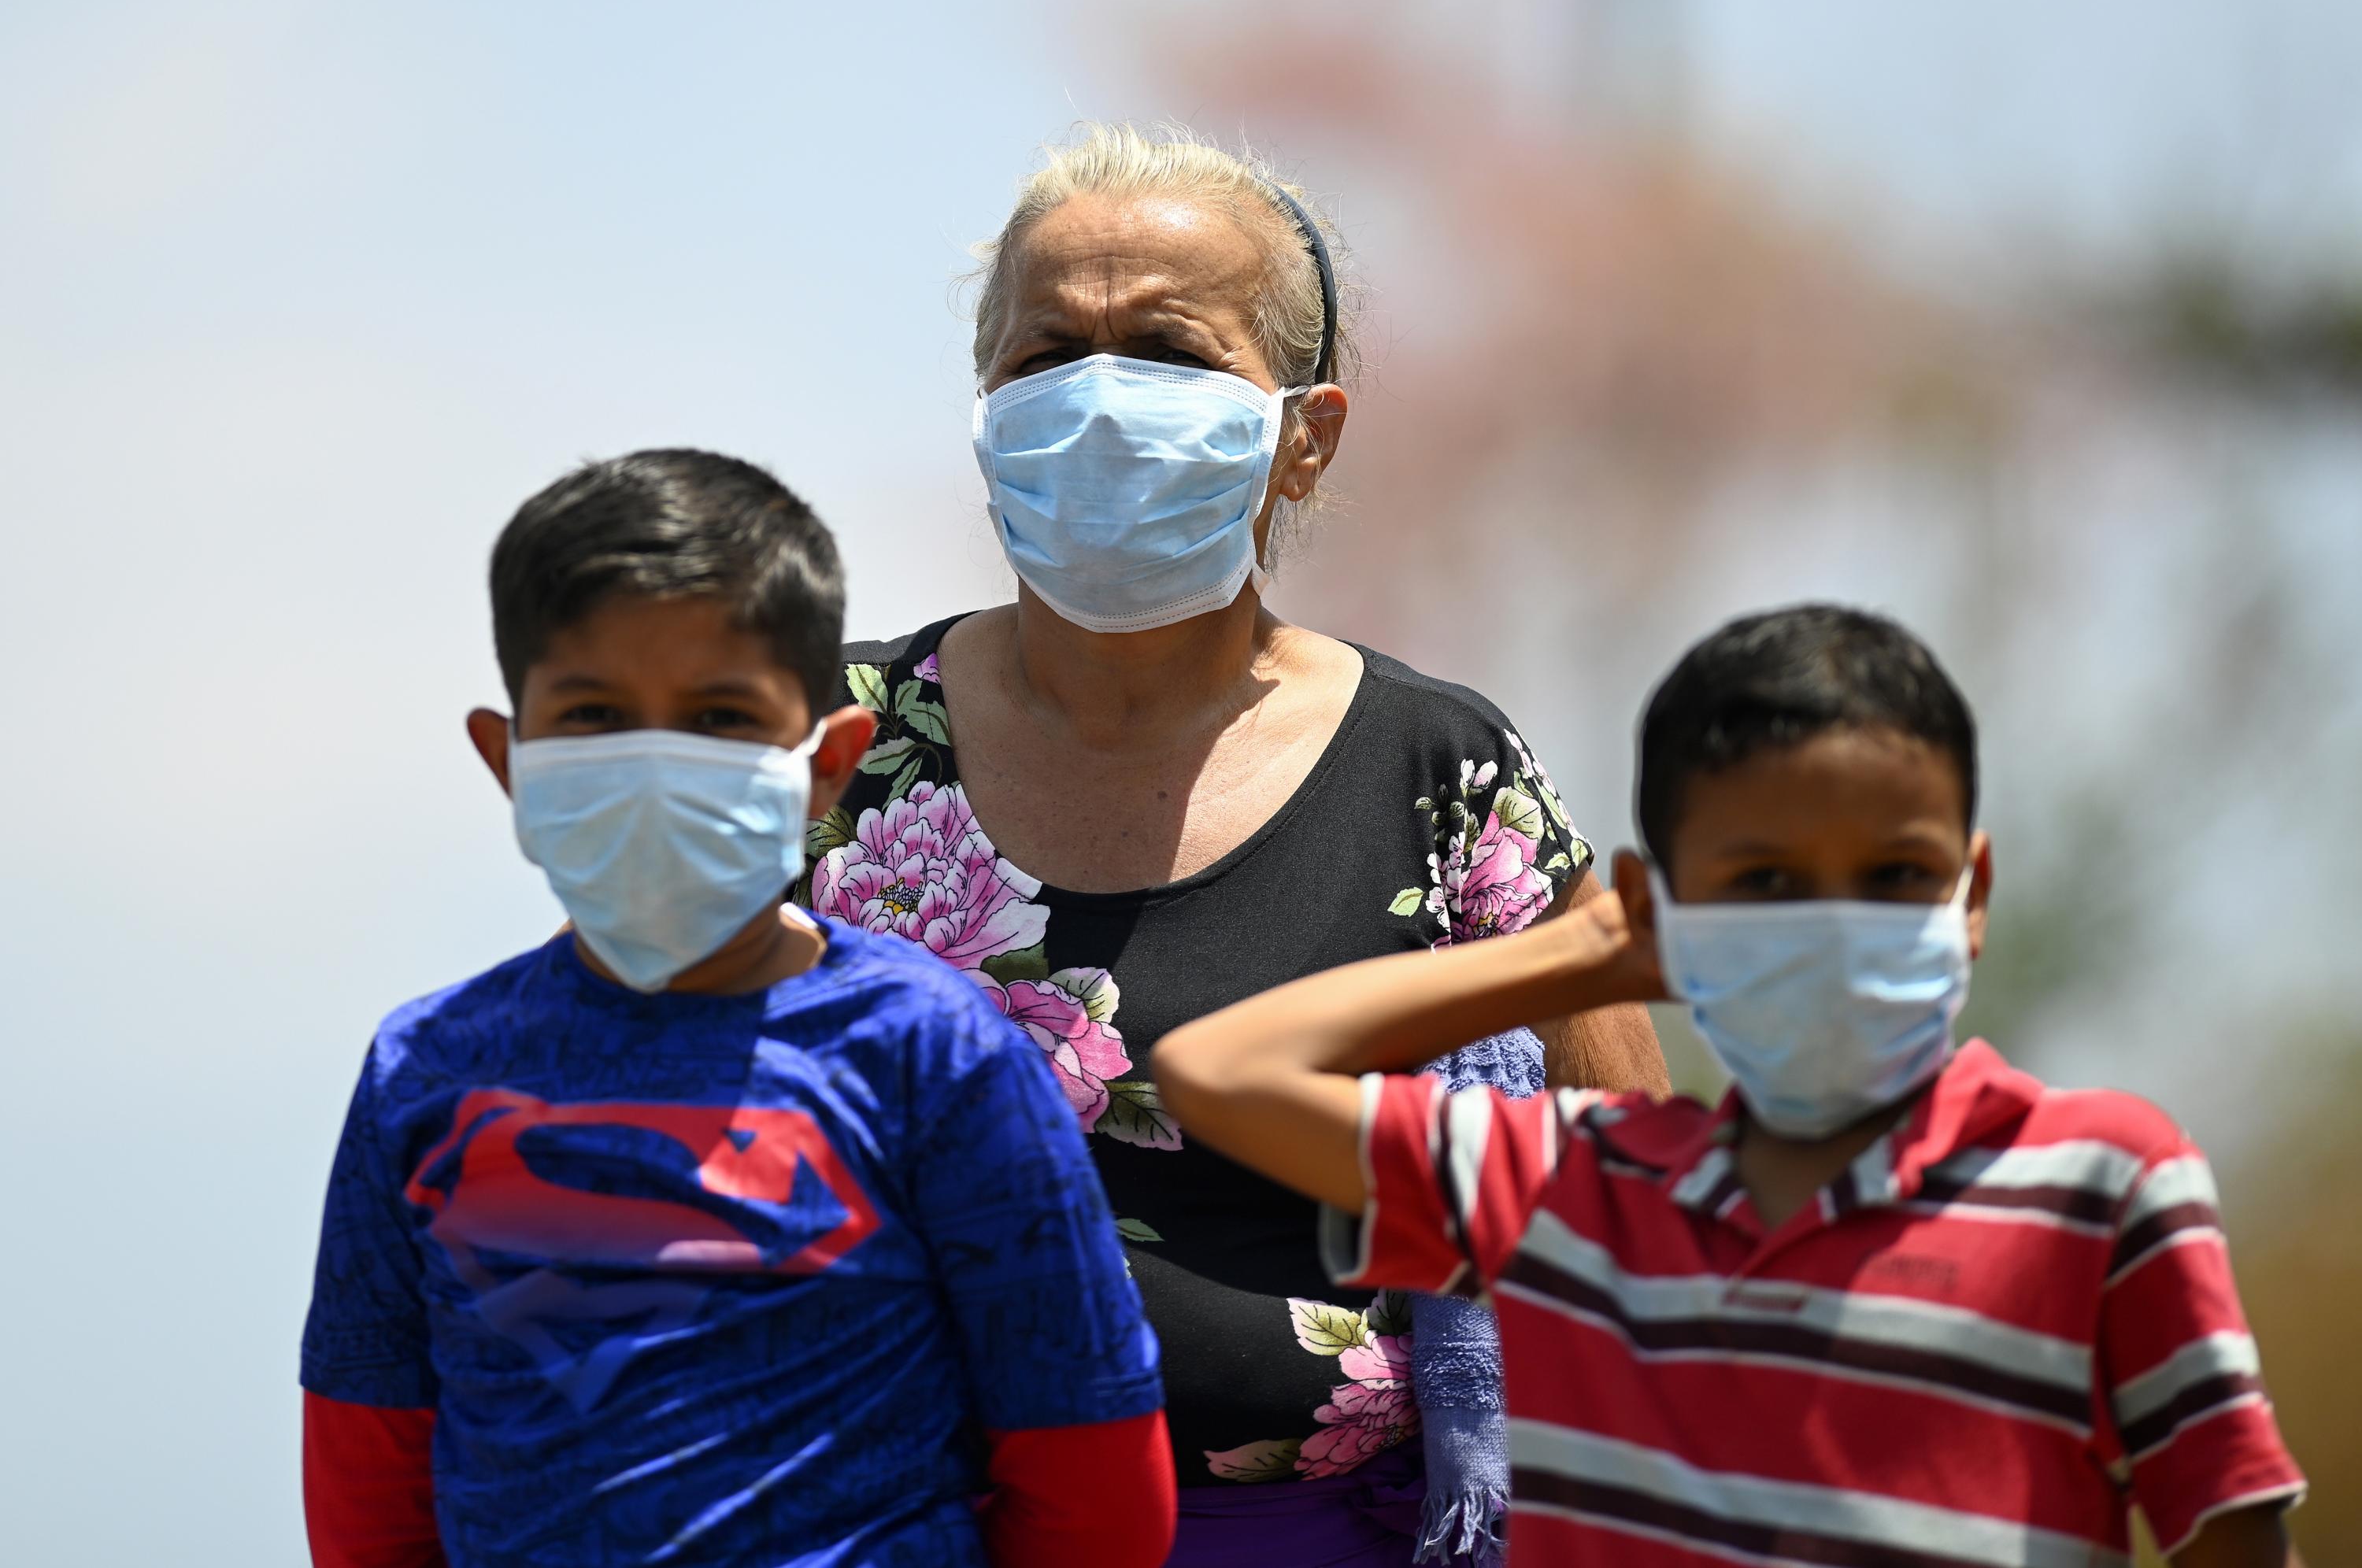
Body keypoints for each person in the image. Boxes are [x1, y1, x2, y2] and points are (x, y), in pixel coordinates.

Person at [800, 124, 1666, 1566]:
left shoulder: (1442, 774)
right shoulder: (826, 748)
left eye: (1168, 352)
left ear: (1303, 433)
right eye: (1044, 356)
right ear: (984, 409)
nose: (1095, 402)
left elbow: (1632, 1203)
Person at [1153, 605, 2308, 1567]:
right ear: (1657, 913)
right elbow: (1222, 1073)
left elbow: (2232, 1535)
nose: (1833, 925)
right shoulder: (1576, 1193)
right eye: (1765, 883)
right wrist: (1577, 950)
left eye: (1897, 873)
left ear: (1975, 889)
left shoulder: (2103, 1182)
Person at [299, 450, 1175, 1568]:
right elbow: (369, 1485)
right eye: (595, 715)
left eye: (719, 717)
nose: (657, 764)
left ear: (827, 768)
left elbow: (1088, 1473)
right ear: (505, 759)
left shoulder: (933, 1056)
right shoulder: (424, 1071)